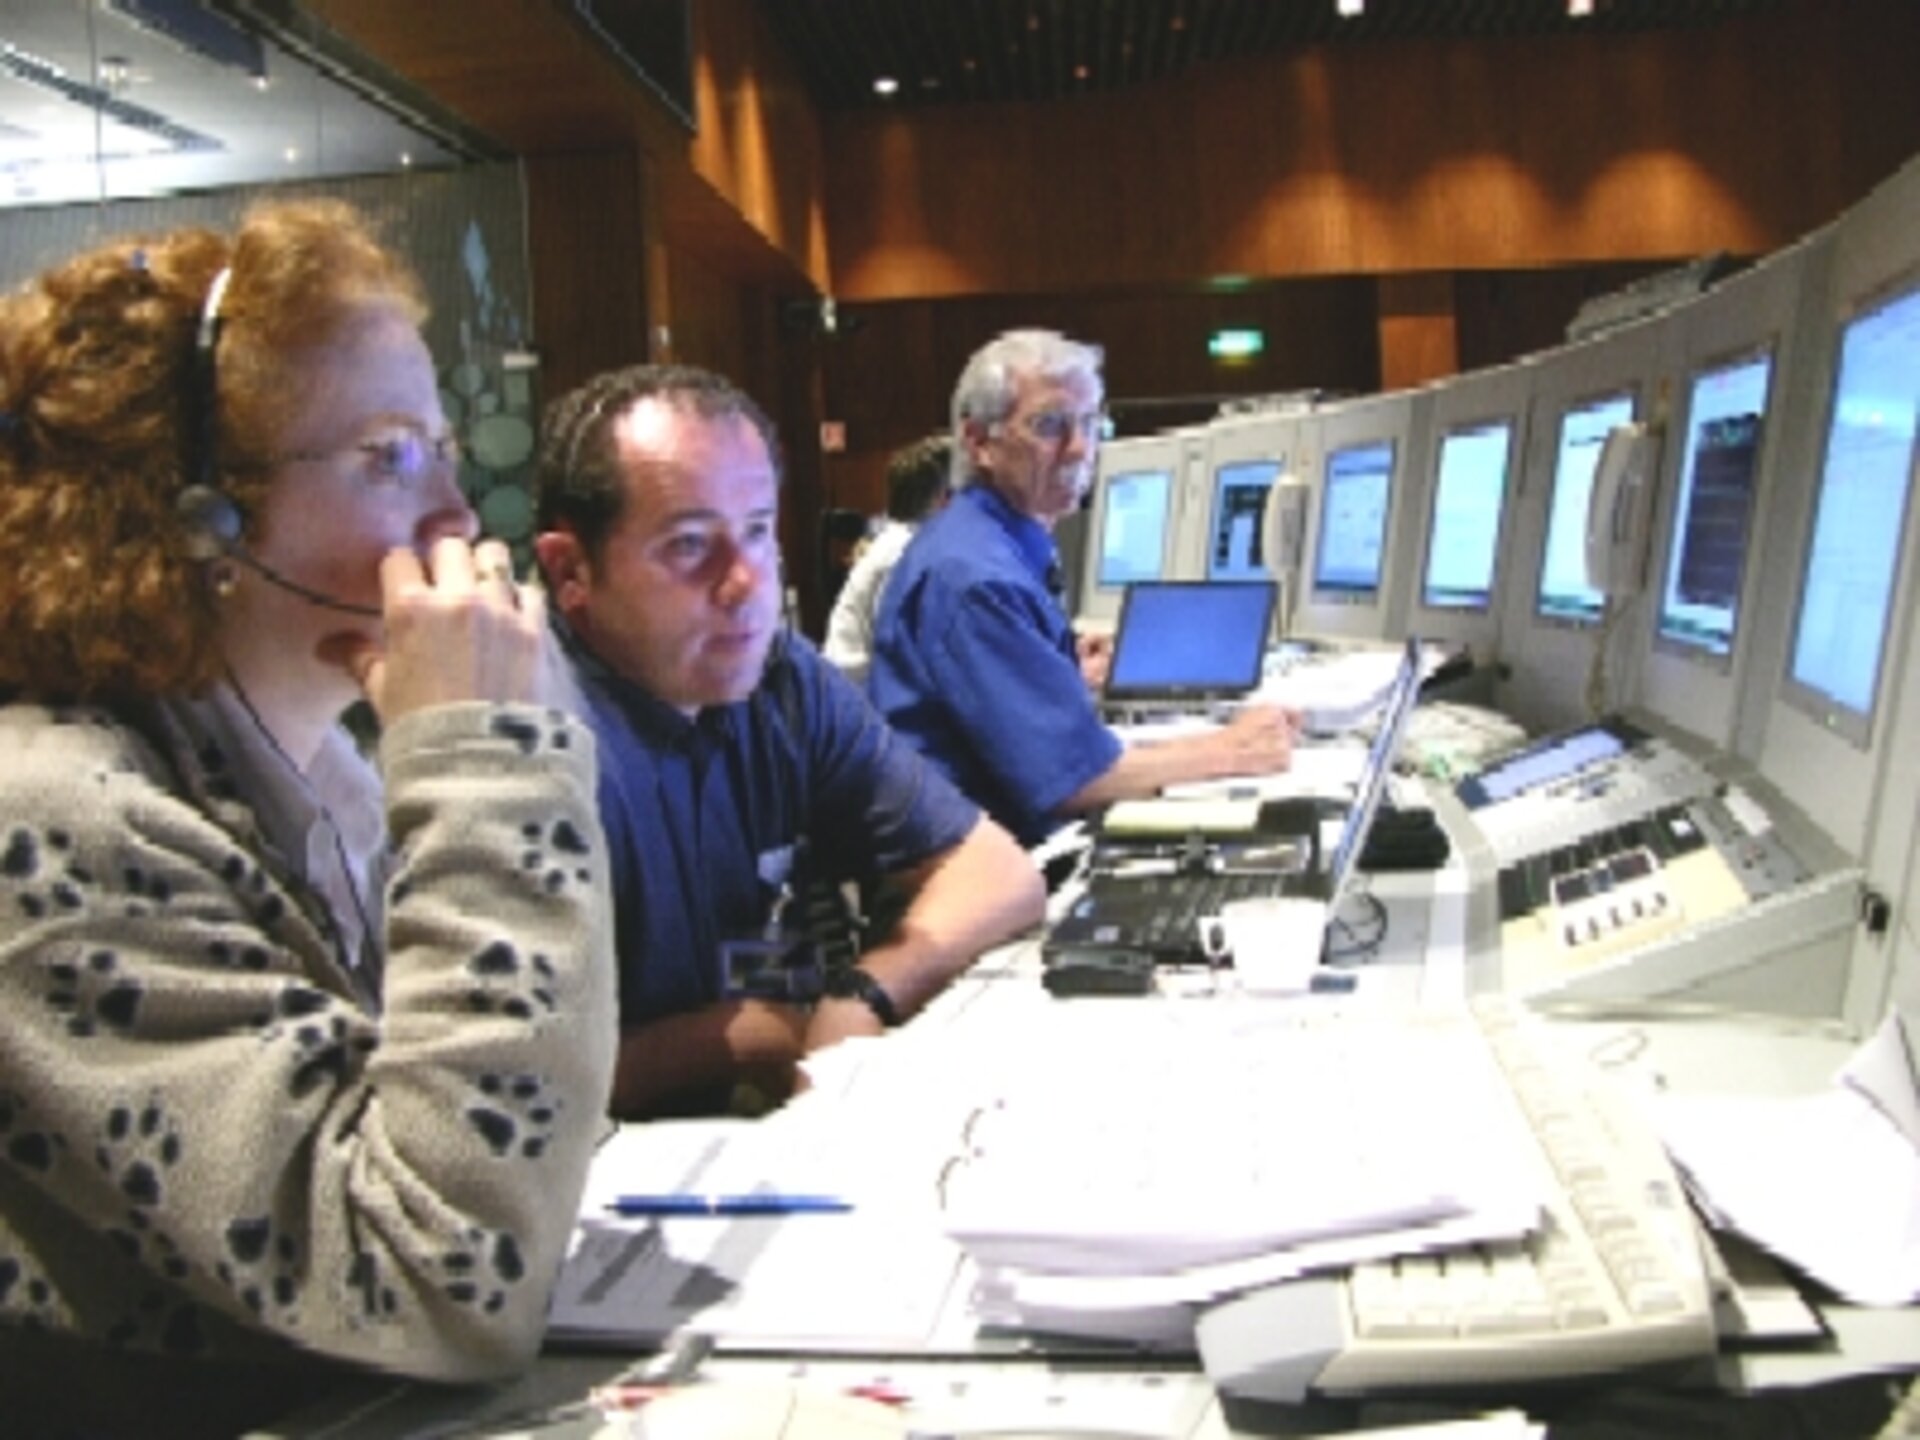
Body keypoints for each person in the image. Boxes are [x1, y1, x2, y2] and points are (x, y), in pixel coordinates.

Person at [0, 201, 616, 1433]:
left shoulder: (321, 775)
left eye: (444, 449)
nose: (454, 513)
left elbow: (533, 1136)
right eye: (390, 456)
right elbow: (446, 1282)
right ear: (193, 517)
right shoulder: (56, 820)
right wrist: (496, 766)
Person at [532, 364, 1044, 1121]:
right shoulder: (523, 738)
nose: (748, 584)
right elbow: (510, 1085)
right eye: (688, 546)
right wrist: (746, 1036)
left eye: (758, 531)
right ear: (571, 571)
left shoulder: (774, 673)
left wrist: (864, 989)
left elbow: (999, 873)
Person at [869, 328, 1298, 848]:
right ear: (979, 440)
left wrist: (1058, 666)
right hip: (986, 879)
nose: (1079, 449)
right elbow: (1073, 781)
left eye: (1092, 424)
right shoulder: (975, 578)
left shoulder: (989, 543)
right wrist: (1234, 749)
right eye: (1049, 425)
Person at [823, 432, 952, 684]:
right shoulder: (904, 557)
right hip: (863, 707)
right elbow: (912, 667)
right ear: (944, 500)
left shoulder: (902, 543)